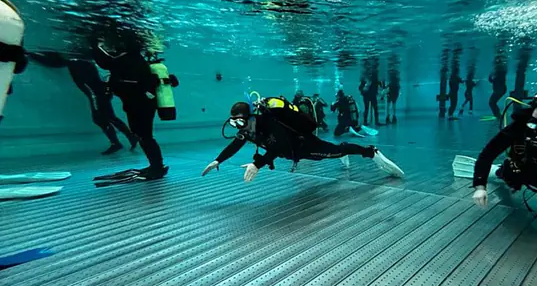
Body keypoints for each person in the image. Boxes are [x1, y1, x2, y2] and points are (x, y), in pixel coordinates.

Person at [202, 97, 404, 181]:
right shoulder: (250, 126)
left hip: (304, 145)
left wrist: (258, 164)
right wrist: (218, 160)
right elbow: (236, 143)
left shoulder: (265, 122)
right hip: (294, 152)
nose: (239, 127)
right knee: (333, 152)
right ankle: (341, 152)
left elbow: (279, 145)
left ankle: (370, 151)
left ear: (249, 117)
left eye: (240, 122)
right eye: (234, 124)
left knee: (335, 151)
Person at [29, 51, 138, 155]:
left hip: (95, 94)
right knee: (109, 117)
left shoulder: (74, 61)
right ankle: (127, 138)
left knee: (101, 118)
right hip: (100, 92)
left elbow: (55, 63)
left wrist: (31, 55)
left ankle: (119, 142)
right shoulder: (84, 61)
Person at [93, 34, 167, 180]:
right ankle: (156, 165)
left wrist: (95, 45)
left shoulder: (127, 58)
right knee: (144, 136)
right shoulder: (136, 59)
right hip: (141, 103)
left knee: (145, 136)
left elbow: (106, 62)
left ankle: (157, 167)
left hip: (140, 104)